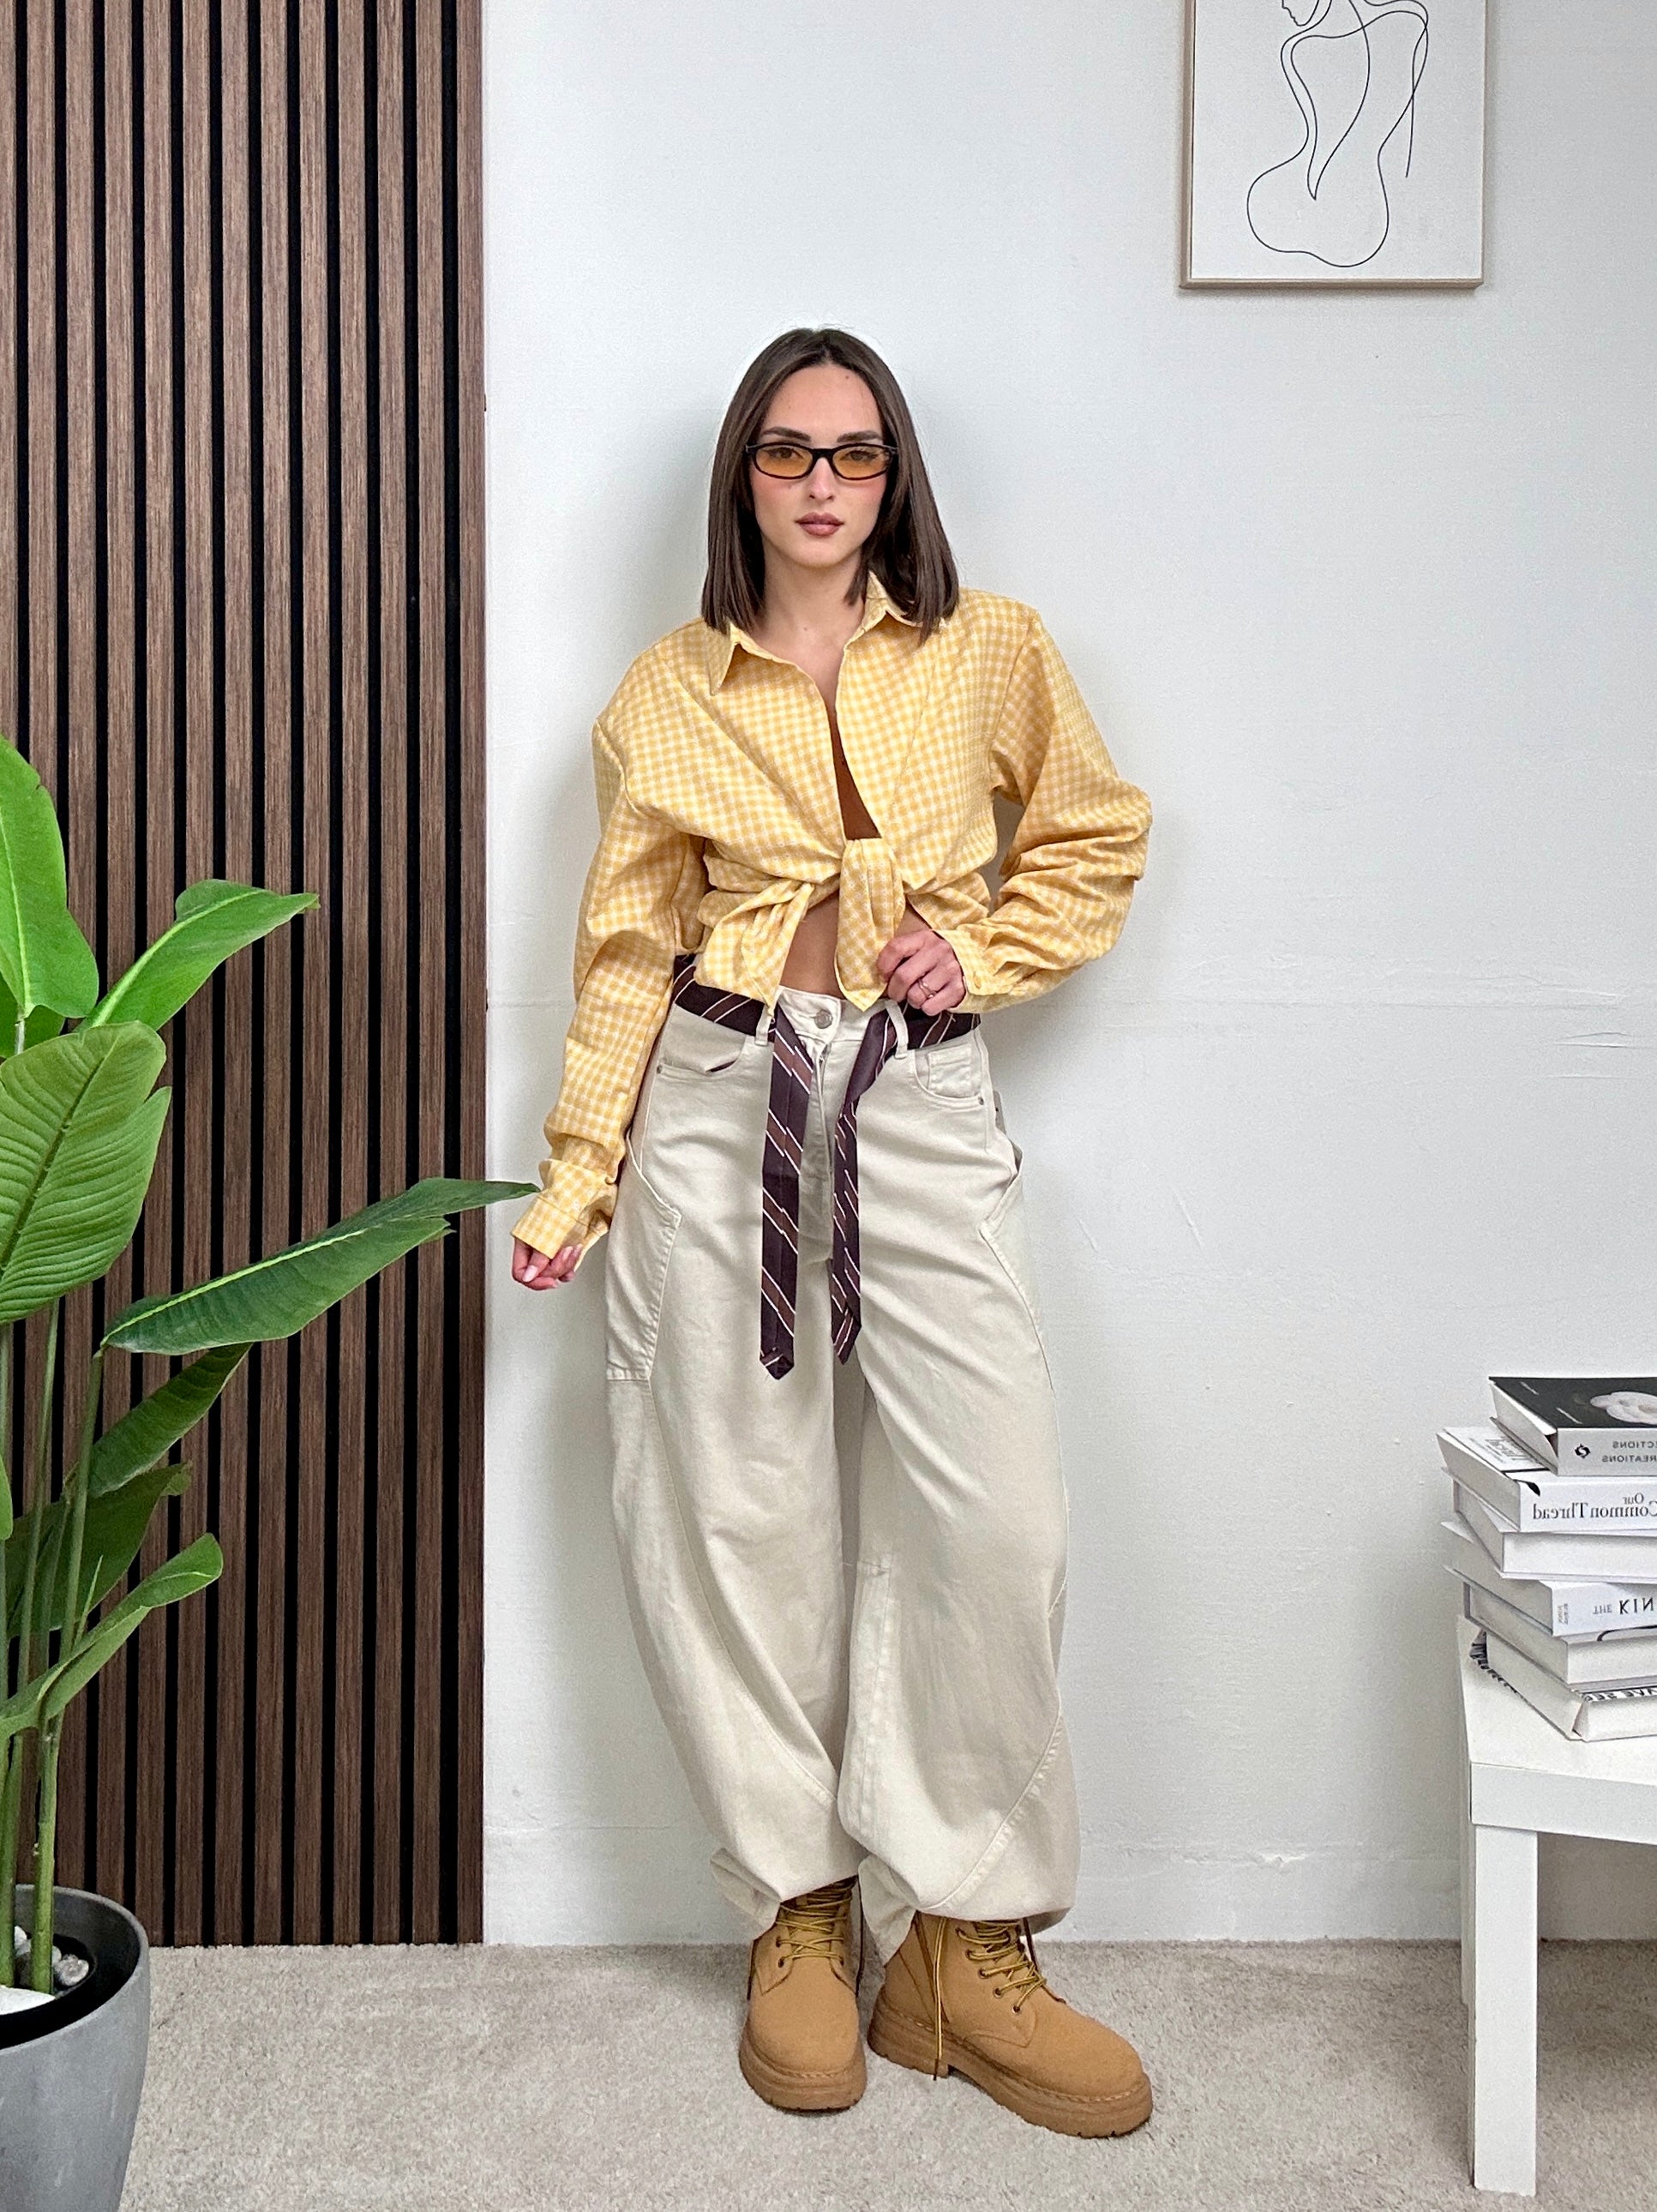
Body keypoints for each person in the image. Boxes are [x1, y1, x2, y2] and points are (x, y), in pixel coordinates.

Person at [511, 328, 1155, 2137]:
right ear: (743, 473)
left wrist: (988, 949)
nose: (820, 484)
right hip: (721, 1100)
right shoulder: (663, 693)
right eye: (787, 452)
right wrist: (579, 1172)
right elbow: (626, 948)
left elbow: (1093, 836)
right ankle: (795, 1908)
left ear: (894, 477)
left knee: (994, 1514)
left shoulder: (989, 648)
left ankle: (960, 1936)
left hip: (918, 1097)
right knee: (732, 1510)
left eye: (854, 454)